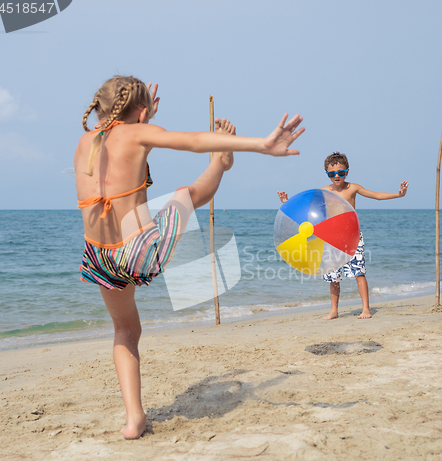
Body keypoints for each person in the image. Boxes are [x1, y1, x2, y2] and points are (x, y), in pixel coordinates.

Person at [75, 75, 305, 439]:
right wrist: (261, 144)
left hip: (98, 257)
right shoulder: (136, 135)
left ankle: (134, 419)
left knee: (126, 330)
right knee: (188, 193)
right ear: (140, 112)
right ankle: (221, 165)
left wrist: (141, 119)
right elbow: (194, 140)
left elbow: (120, 162)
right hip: (137, 252)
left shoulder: (85, 142)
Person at [277, 152, 408, 321]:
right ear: (327, 173)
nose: (337, 176)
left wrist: (399, 194)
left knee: (358, 273)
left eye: (341, 172)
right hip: (330, 238)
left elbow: (376, 196)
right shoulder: (322, 192)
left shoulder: (353, 188)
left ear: (347, 171)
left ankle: (366, 308)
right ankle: (334, 310)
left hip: (352, 236)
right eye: (332, 174)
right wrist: (286, 203)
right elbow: (307, 210)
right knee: (333, 276)